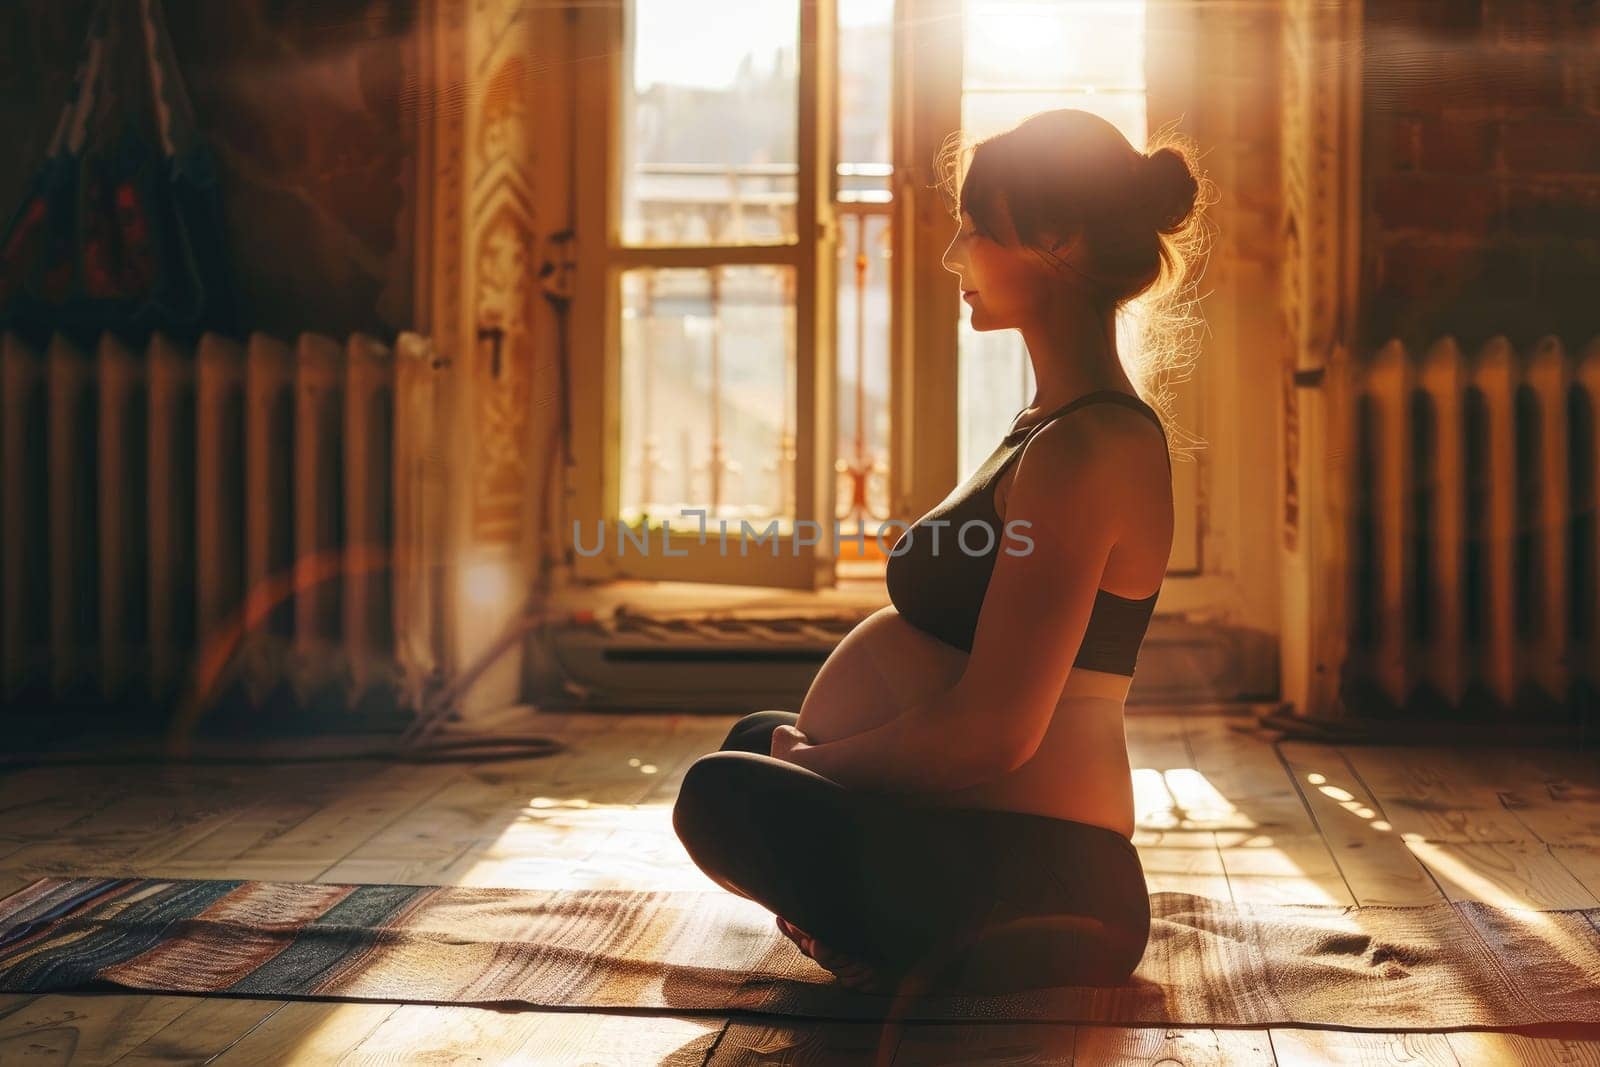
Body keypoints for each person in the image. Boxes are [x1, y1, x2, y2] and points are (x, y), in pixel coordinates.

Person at [672, 108, 1211, 996]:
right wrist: (806, 757)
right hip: (988, 841)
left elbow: (996, 732)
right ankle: (873, 926)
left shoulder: (1090, 449)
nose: (954, 254)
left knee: (726, 787)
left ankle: (885, 929)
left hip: (1048, 878)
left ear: (1056, 240)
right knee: (747, 744)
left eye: (976, 227)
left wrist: (814, 767)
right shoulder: (1047, 429)